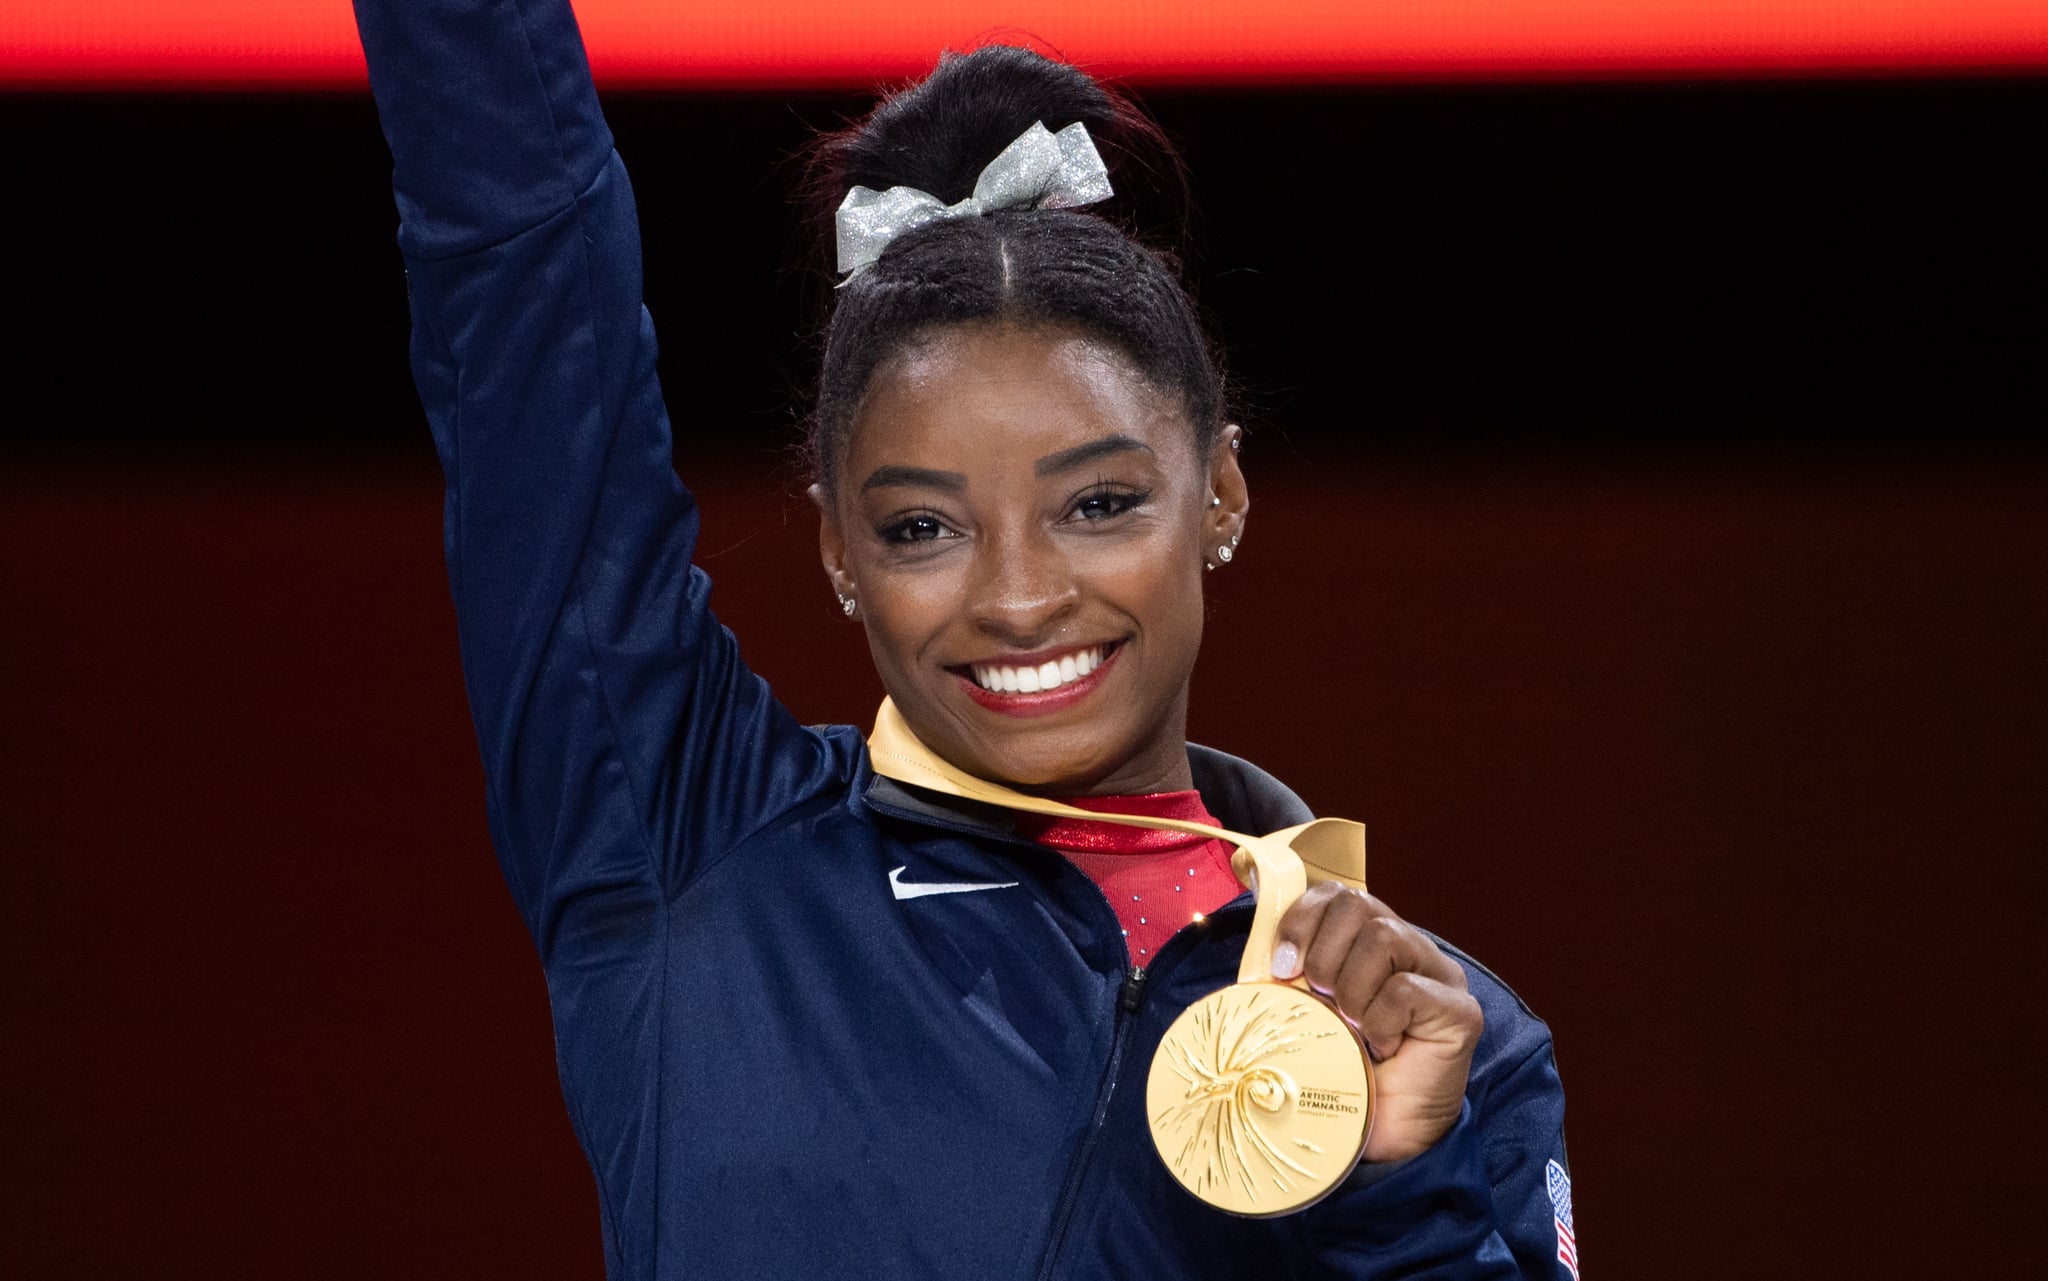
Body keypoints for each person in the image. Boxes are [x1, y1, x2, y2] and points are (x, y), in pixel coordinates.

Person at [353, 0, 1572, 1276]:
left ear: (1219, 494)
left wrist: (1399, 1194)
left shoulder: (1431, 1031)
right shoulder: (687, 844)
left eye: (1096, 505)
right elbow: (521, 302)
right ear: (838, 551)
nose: (1016, 596)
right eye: (923, 528)